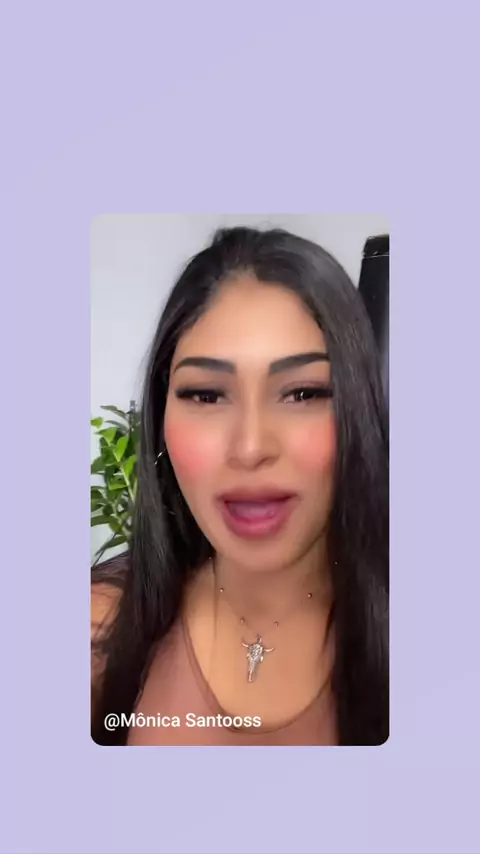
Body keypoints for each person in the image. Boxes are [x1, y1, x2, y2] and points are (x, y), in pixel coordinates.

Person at [91, 225, 389, 746]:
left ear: (358, 414)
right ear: (160, 420)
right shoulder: (97, 629)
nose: (250, 448)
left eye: (303, 393)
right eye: (207, 395)